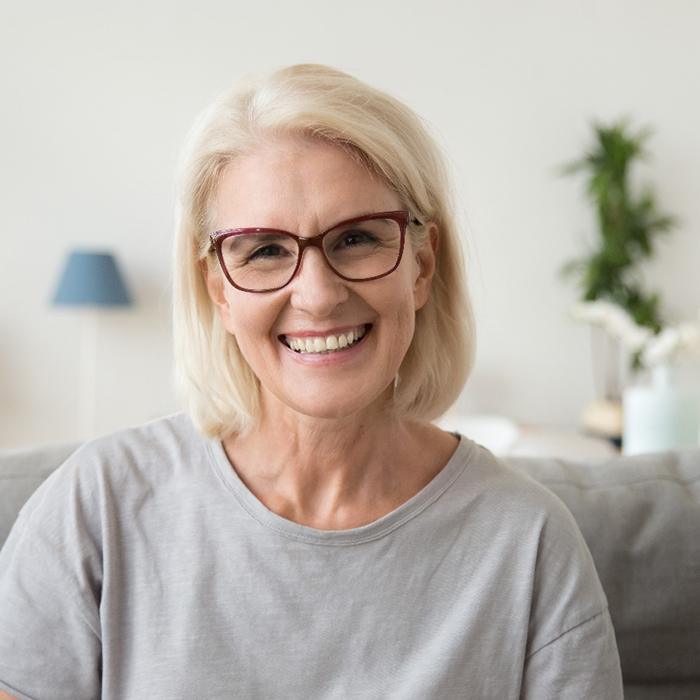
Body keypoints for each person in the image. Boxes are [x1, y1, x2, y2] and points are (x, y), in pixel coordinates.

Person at [0, 64, 623, 699]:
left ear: (422, 265)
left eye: (356, 238)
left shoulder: (528, 542)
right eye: (264, 250)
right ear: (218, 289)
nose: (319, 296)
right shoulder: (96, 507)